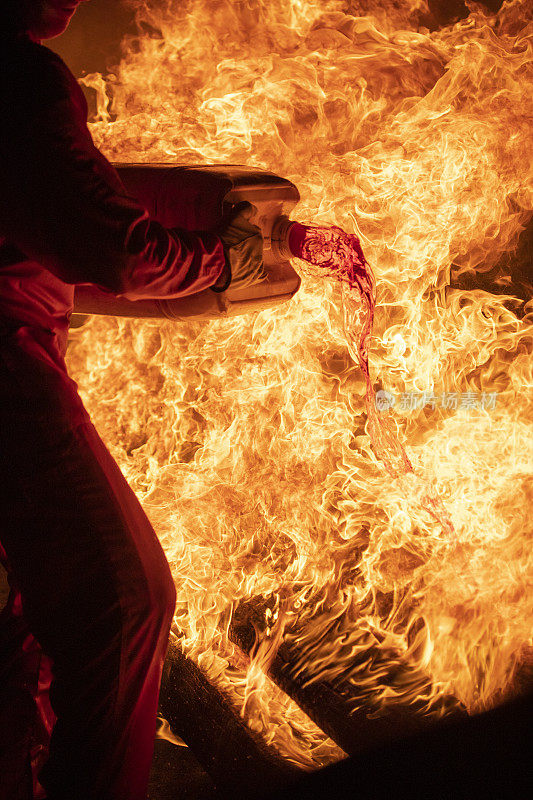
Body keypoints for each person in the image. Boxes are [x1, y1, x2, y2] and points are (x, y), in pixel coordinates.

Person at [0, 1, 264, 798]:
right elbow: (108, 248)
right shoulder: (17, 77)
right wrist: (223, 265)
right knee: (124, 600)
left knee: (27, 623)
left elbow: (41, 226)